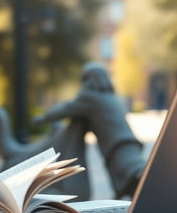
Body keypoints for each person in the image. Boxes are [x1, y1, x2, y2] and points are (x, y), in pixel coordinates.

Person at [32, 62, 146, 199]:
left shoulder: (90, 98)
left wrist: (42, 118)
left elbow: (66, 108)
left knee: (132, 175)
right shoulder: (109, 97)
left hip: (117, 148)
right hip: (128, 145)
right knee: (127, 181)